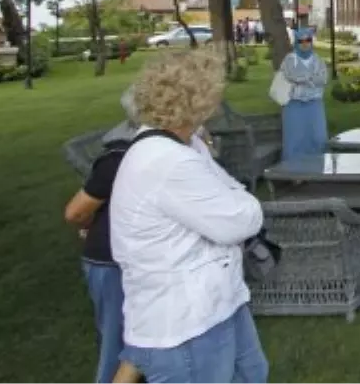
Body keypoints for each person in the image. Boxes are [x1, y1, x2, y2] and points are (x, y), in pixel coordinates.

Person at [111, 48, 268, 382]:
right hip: (186, 324)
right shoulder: (169, 162)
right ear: (199, 101)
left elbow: (227, 193)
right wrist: (245, 200)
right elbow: (243, 220)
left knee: (253, 373)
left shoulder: (181, 145)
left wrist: (229, 188)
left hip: (218, 304)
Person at [63, 119, 142, 384]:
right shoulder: (119, 158)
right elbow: (75, 212)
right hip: (110, 260)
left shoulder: (173, 149)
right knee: (115, 342)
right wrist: (91, 224)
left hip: (143, 258)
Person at [278, 27, 330, 161]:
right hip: (294, 106)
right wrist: (310, 79)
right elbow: (291, 76)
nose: (305, 43)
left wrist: (303, 79)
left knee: (317, 137)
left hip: (314, 105)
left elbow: (323, 79)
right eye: (301, 41)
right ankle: (294, 173)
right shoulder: (289, 59)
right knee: (295, 138)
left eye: (308, 40)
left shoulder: (318, 60)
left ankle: (316, 169)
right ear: (296, 42)